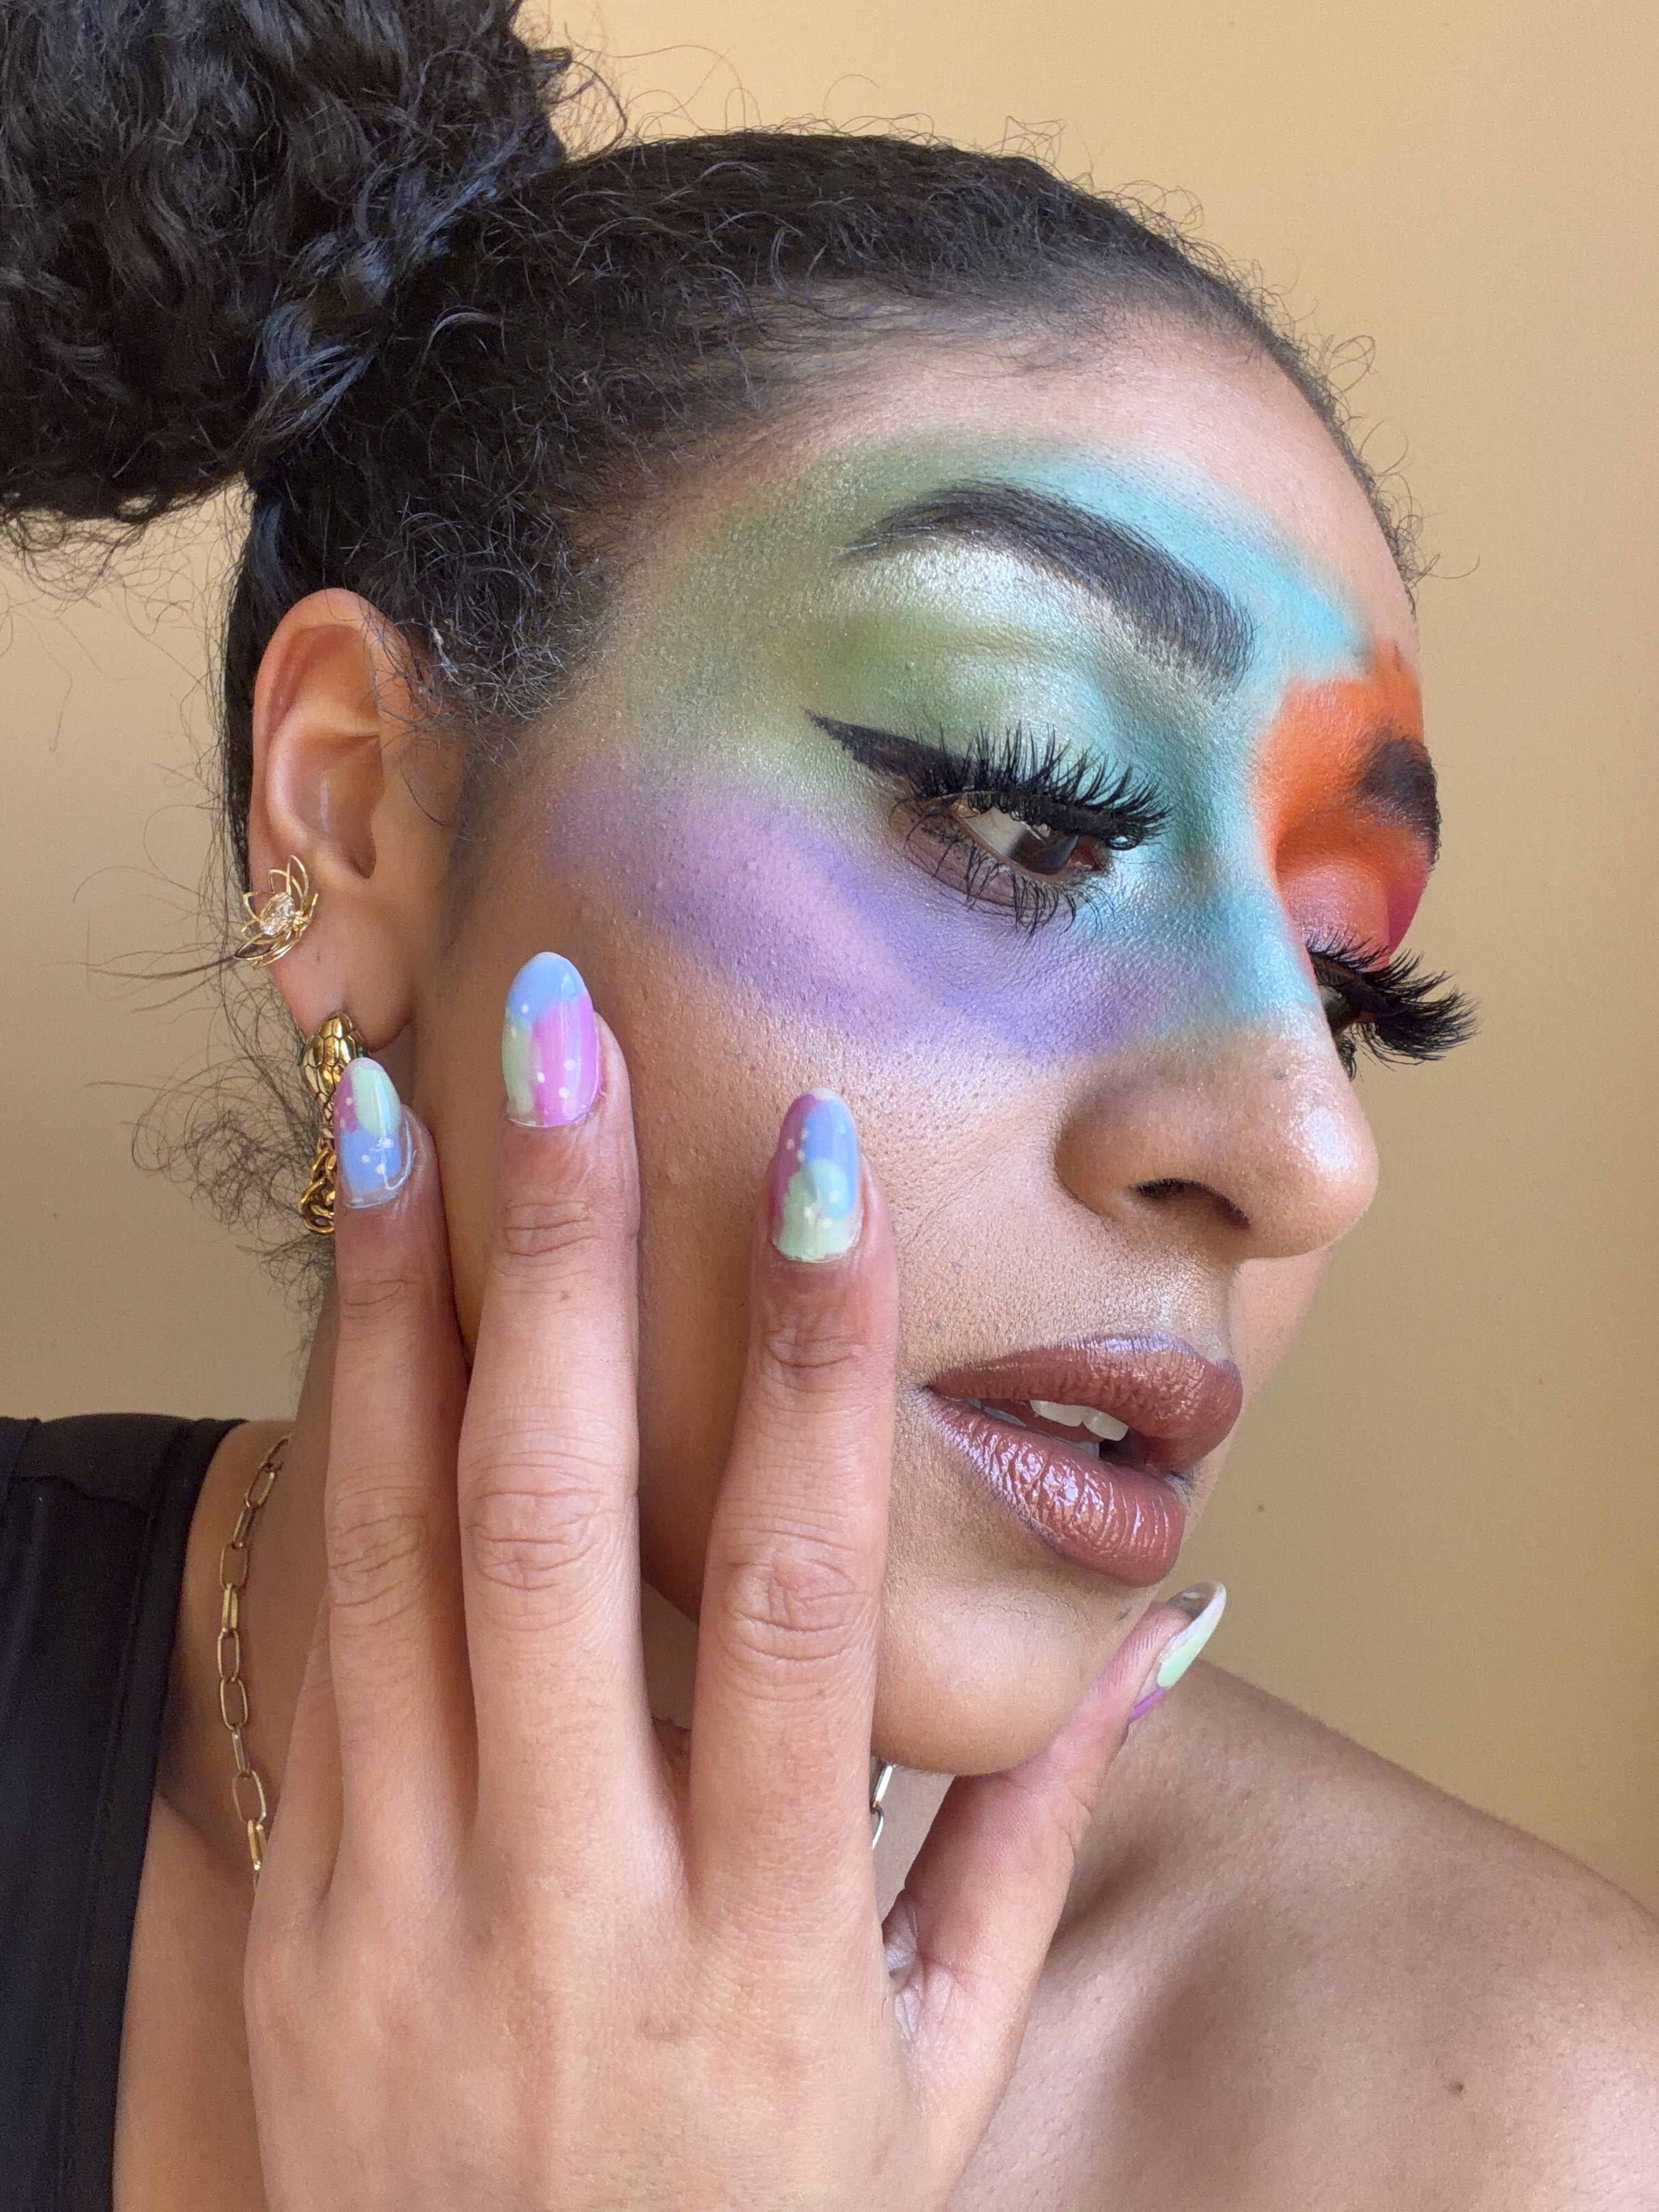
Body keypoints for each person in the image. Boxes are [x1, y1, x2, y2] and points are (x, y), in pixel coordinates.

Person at [2, 1, 1655, 2204]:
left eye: (1353, 985)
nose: (1304, 1152)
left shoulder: (1524, 2123)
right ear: (358, 814)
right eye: (1021, 816)